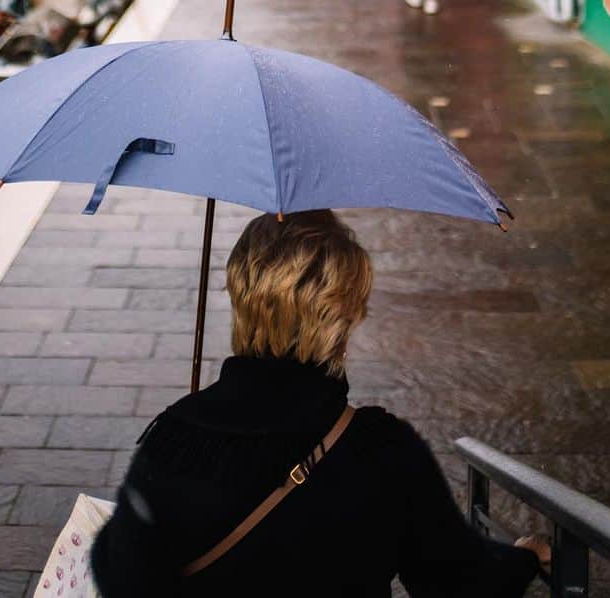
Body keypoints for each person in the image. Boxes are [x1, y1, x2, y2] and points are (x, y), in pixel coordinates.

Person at [92, 210, 548, 596]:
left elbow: (120, 577)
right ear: (343, 316)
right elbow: (460, 582)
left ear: (241, 299)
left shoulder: (174, 441)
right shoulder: (383, 453)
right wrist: (526, 558)